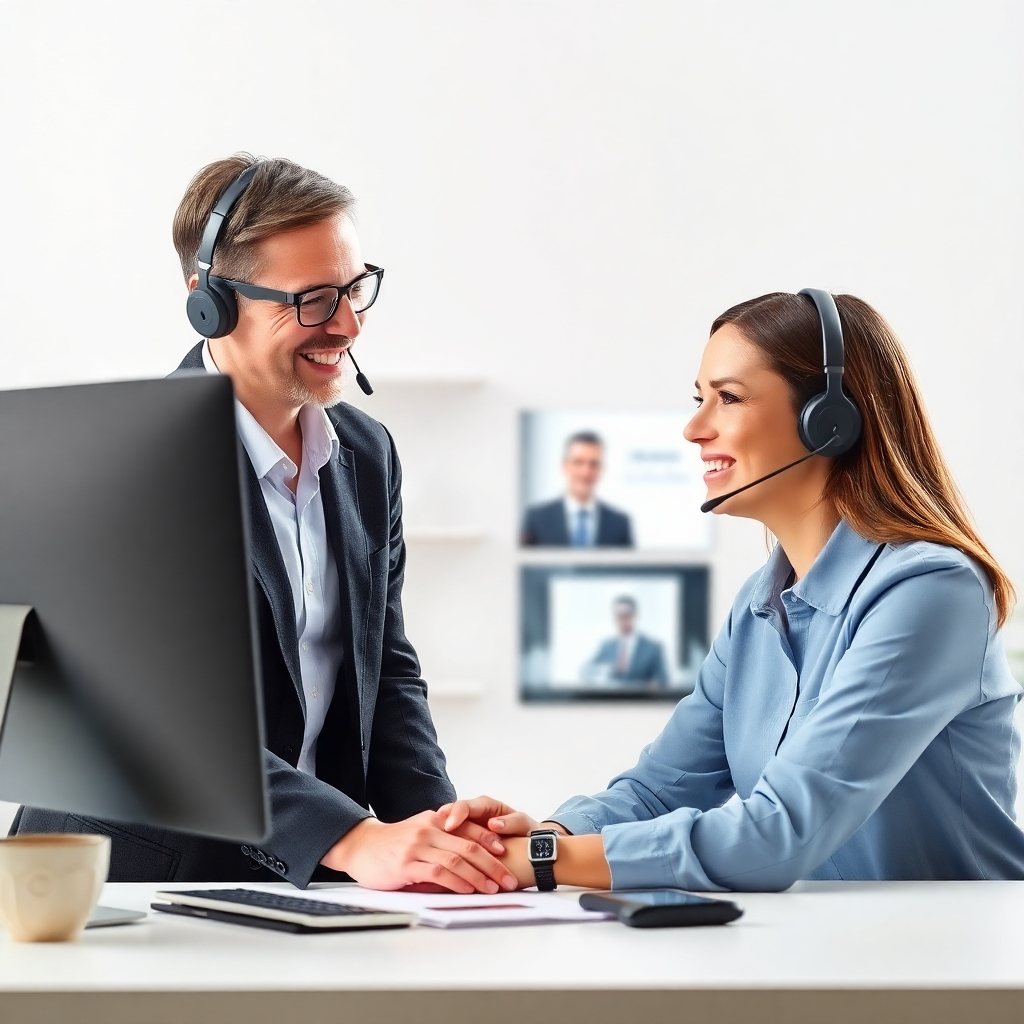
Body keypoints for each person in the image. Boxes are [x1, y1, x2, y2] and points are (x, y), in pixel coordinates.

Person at [12, 154, 516, 896]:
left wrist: (439, 833)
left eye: (353, 288)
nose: (346, 322)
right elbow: (151, 719)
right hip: (129, 886)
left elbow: (385, 669)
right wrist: (355, 838)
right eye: (312, 299)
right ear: (209, 301)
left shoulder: (368, 455)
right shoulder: (126, 461)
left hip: (302, 877)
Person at [443, 290, 1024, 892]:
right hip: (827, 950)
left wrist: (540, 862)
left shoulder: (930, 590)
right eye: (700, 400)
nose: (695, 429)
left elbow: (778, 834)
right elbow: (659, 787)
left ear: (829, 420)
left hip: (951, 962)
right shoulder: (761, 605)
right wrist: (548, 836)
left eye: (728, 398)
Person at [521, 431, 633, 546]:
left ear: (602, 470)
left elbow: (627, 564)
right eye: (578, 463)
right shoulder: (537, 519)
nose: (586, 472)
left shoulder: (619, 523)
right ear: (564, 466)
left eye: (594, 464)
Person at [584, 596, 668, 686]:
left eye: (626, 615)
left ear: (635, 616)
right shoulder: (607, 646)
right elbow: (586, 671)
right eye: (619, 616)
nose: (623, 620)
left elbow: (663, 680)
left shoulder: (652, 648)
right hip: (611, 698)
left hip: (641, 698)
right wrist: (609, 669)